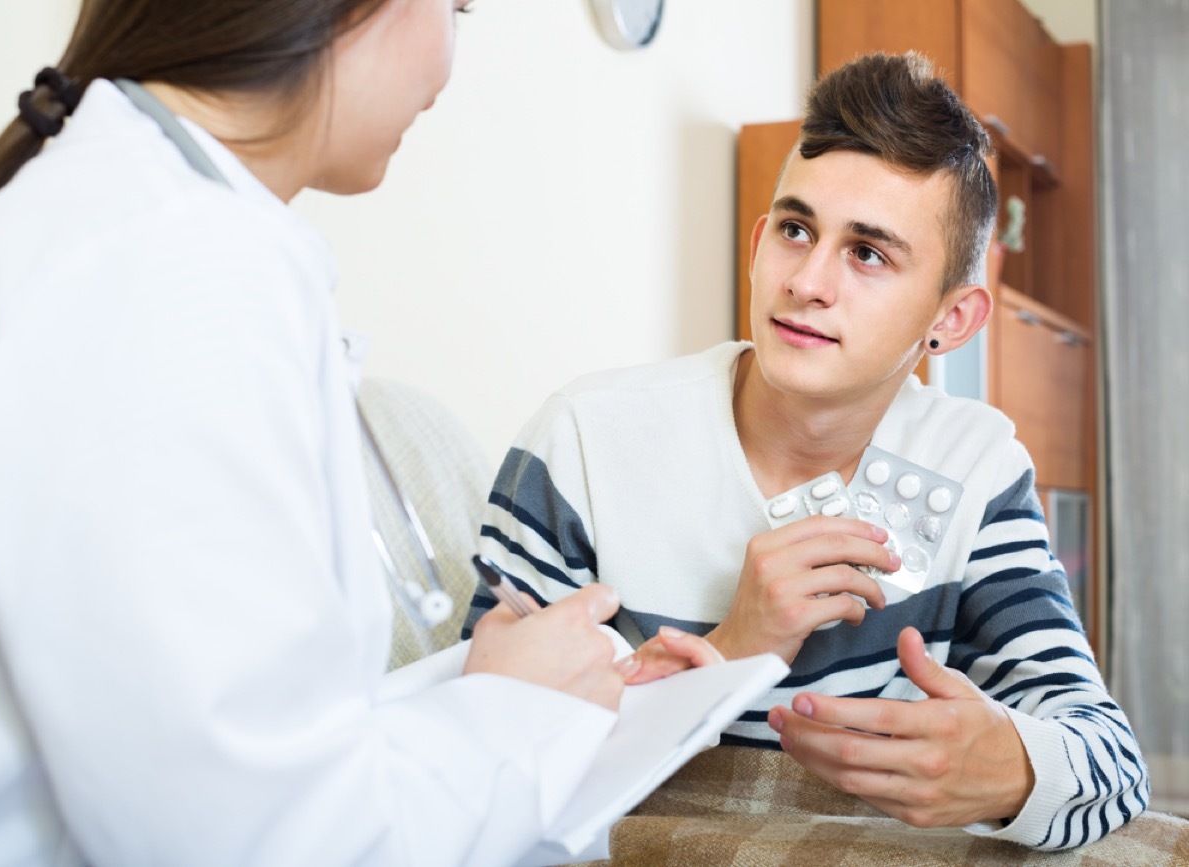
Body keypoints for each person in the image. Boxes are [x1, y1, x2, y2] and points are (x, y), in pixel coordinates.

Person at [0, 1, 721, 864]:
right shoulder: (180, 276)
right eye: (456, 8)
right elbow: (255, 839)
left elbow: (237, 737)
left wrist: (495, 688)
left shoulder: (128, 222)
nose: (450, 61)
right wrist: (520, 711)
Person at [462, 51, 1149, 850]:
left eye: (868, 253)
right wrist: (732, 651)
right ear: (759, 244)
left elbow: (1113, 765)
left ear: (953, 320)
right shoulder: (583, 441)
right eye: (796, 230)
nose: (808, 281)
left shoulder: (975, 467)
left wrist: (1013, 768)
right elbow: (475, 770)